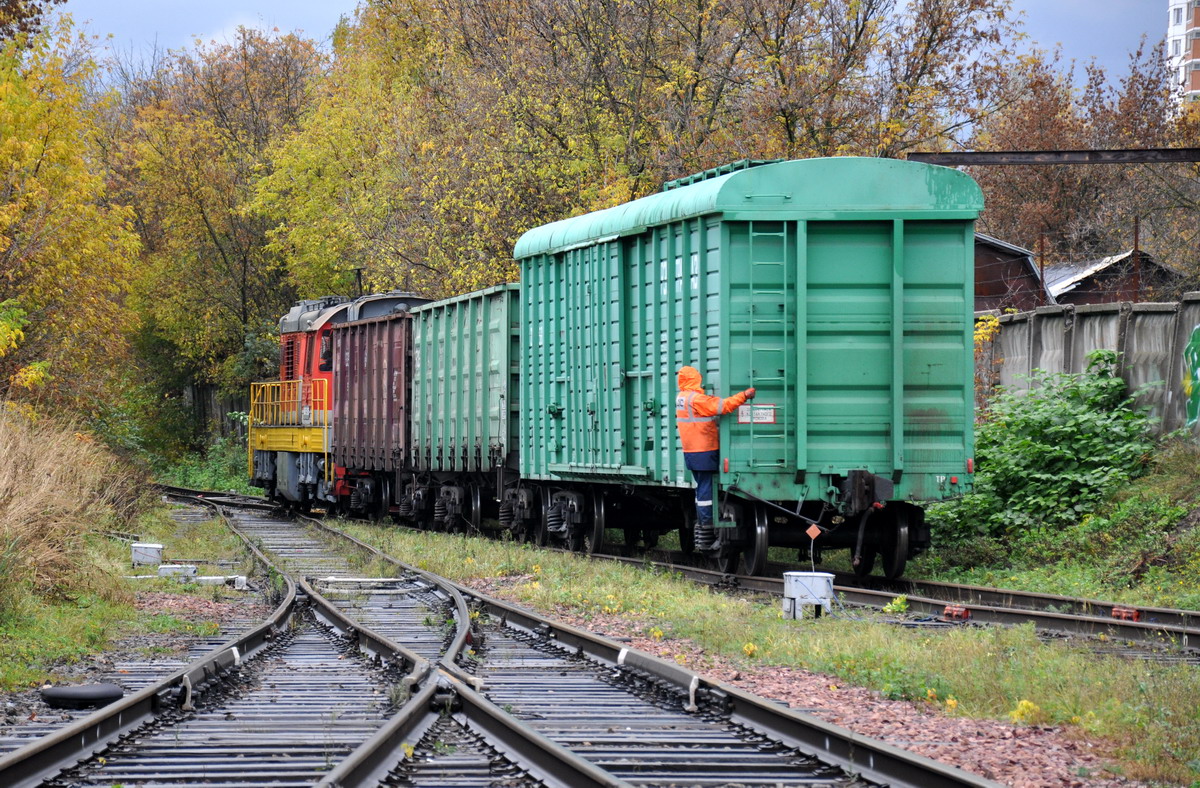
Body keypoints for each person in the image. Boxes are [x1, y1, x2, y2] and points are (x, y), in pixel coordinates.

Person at [675, 366, 755, 550]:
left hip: (692, 451)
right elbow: (723, 406)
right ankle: (707, 527)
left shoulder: (682, 398)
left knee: (702, 489)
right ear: (694, 380)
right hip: (703, 450)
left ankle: (705, 525)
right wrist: (744, 395)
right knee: (705, 489)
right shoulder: (696, 399)